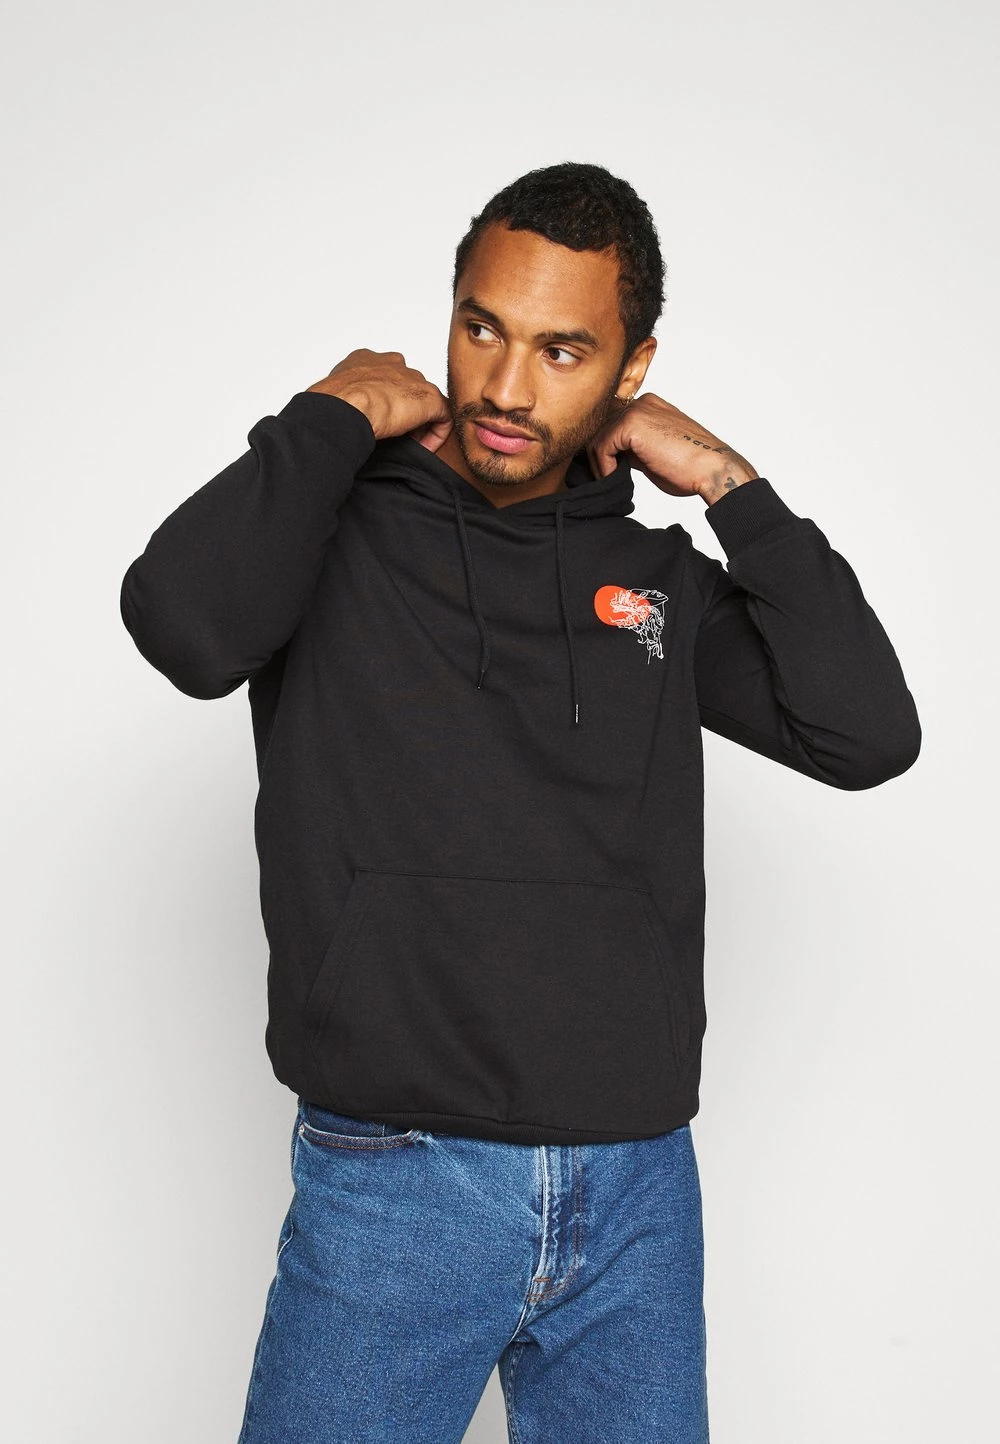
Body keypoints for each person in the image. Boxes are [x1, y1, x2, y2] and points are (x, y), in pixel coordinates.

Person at [119, 161, 921, 1443]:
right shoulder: (331, 535)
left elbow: (865, 733)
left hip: (636, 1189)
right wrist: (328, 417)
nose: (502, 387)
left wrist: (731, 484)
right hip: (396, 1182)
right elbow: (184, 626)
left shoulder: (652, 581)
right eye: (481, 328)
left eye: (561, 350)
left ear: (630, 367)